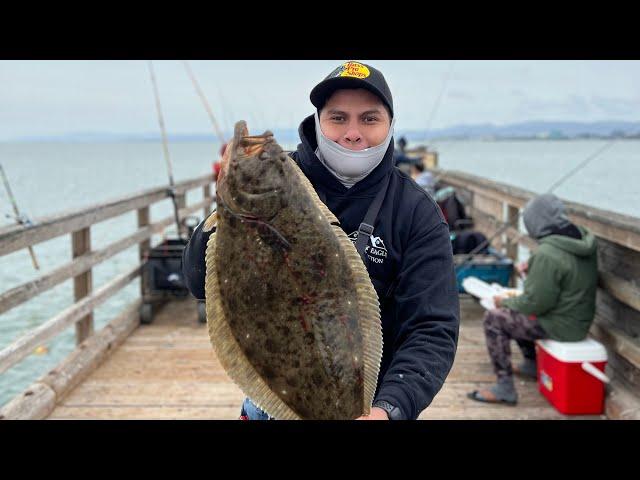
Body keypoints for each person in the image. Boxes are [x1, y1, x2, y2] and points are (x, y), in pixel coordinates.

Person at [182, 61, 460, 420]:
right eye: (338, 118)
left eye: (370, 119)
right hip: (270, 401)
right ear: (317, 121)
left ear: (391, 124)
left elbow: (432, 327)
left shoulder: (416, 212)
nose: (353, 133)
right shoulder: (283, 180)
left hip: (368, 405)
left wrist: (390, 407)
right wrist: (225, 210)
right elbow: (196, 282)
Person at [467, 193, 598, 405]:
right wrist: (535, 271)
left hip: (560, 326)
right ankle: (531, 364)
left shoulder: (548, 253)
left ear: (536, 223)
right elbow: (564, 277)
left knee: (496, 318)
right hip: (579, 320)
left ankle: (504, 388)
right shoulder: (581, 240)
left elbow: (534, 304)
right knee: (515, 313)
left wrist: (502, 301)